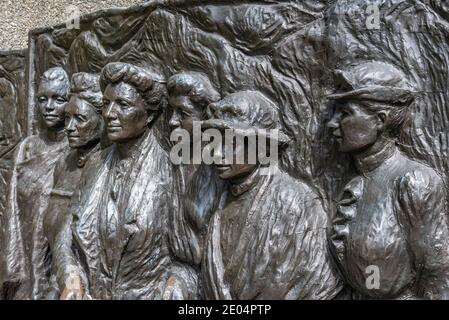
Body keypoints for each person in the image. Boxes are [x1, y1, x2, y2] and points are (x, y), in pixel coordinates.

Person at [59, 62, 199, 300]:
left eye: (122, 105)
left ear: (150, 115)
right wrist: (70, 274)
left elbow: (188, 263)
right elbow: (69, 235)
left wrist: (175, 287)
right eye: (106, 104)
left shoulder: (170, 174)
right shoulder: (95, 165)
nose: (109, 114)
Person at [202, 91, 342, 300]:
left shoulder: (297, 203)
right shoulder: (216, 197)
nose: (217, 154)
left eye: (231, 144)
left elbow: (318, 281)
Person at [327, 61, 449, 299]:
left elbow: (438, 274)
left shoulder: (413, 181)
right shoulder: (354, 184)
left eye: (345, 113)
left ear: (380, 120)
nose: (332, 123)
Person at [0, 67, 70, 299]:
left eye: (58, 99)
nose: (48, 107)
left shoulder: (74, 151)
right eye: (42, 99)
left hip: (56, 253)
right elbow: (11, 209)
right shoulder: (27, 147)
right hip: (25, 248)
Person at [42, 72, 104, 299]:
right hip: (56, 277)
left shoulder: (105, 167)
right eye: (67, 118)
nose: (68, 126)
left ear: (103, 118)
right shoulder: (64, 163)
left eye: (80, 119)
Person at [167, 72, 227, 268]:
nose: (172, 121)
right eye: (171, 112)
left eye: (183, 114)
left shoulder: (223, 168)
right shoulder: (175, 163)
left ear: (206, 117)